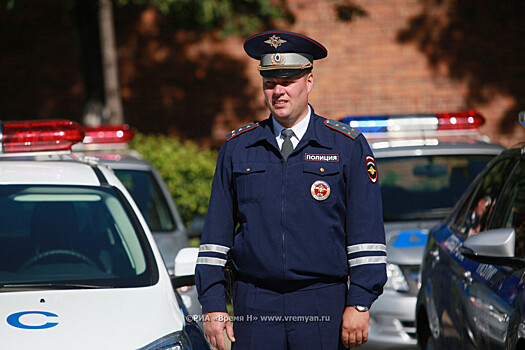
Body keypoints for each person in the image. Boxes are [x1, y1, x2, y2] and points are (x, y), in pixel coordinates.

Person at [195, 30, 387, 350]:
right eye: (270, 83)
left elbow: (366, 233)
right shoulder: (238, 148)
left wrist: (361, 302)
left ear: (308, 81)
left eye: (288, 81)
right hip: (255, 302)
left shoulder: (345, 146)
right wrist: (213, 305)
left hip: (321, 301)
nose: (279, 92)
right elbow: (215, 236)